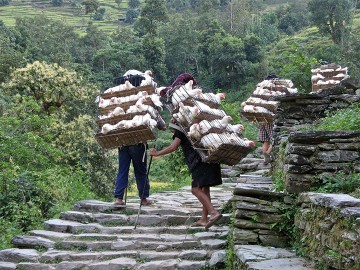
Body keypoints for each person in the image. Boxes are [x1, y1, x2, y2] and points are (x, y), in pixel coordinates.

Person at [149, 120, 223, 229]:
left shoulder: (180, 129)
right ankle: (204, 219)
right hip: (210, 157)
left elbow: (173, 147)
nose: (172, 133)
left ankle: (213, 213)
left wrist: (157, 153)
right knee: (204, 189)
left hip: (199, 161)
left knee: (195, 189)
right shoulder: (196, 124)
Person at [114, 69, 166, 206]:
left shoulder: (120, 102)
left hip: (123, 142)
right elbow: (162, 125)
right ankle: (143, 198)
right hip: (138, 143)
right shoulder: (145, 100)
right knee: (140, 170)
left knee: (123, 170)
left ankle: (118, 199)